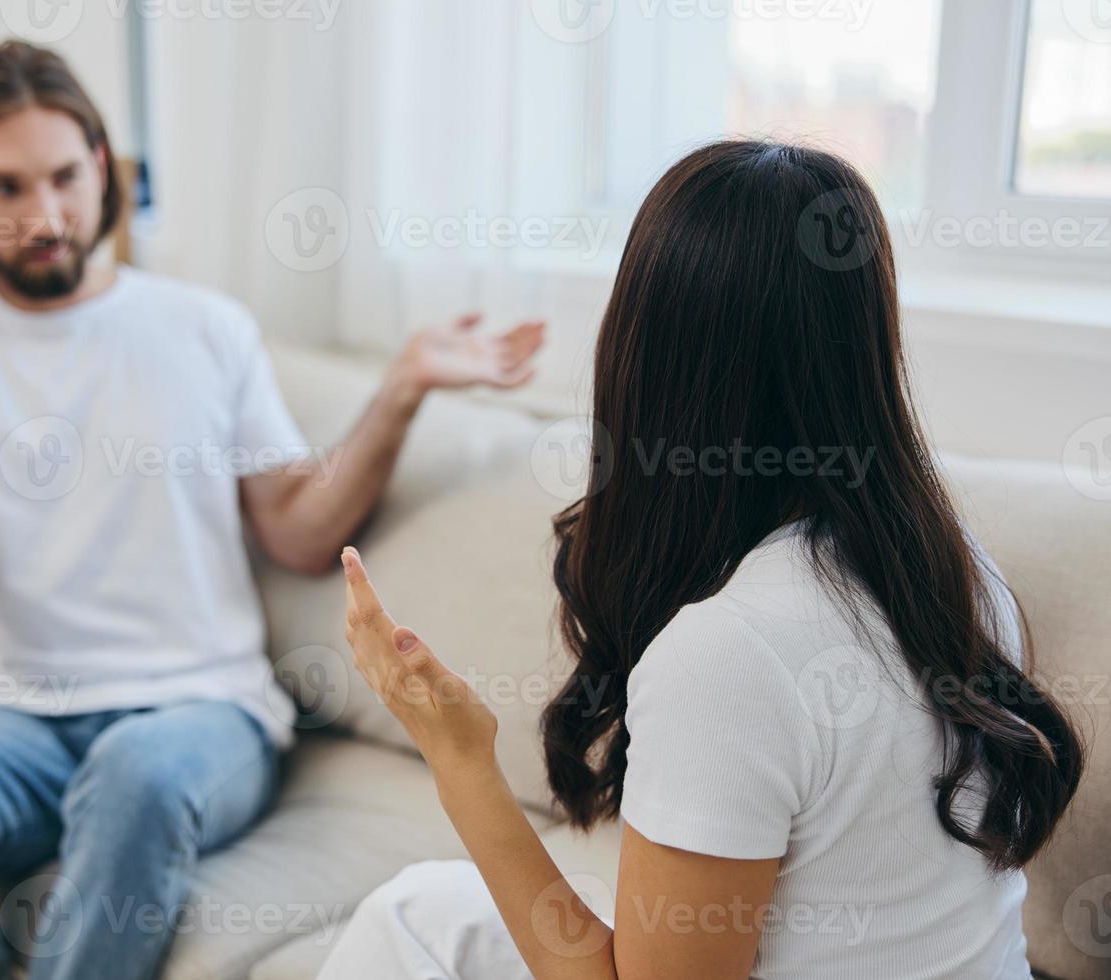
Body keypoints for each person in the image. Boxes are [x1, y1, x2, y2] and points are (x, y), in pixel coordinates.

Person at [0, 41, 545, 980]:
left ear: (102, 170)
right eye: (6, 189)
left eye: (67, 178)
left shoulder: (205, 327)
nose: (47, 216)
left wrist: (404, 384)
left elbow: (298, 531)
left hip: (201, 710)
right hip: (17, 718)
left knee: (138, 777)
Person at [322, 140, 1084, 980]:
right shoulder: (959, 573)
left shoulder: (728, 654)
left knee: (407, 923)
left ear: (647, 358)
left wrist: (457, 756)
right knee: (425, 914)